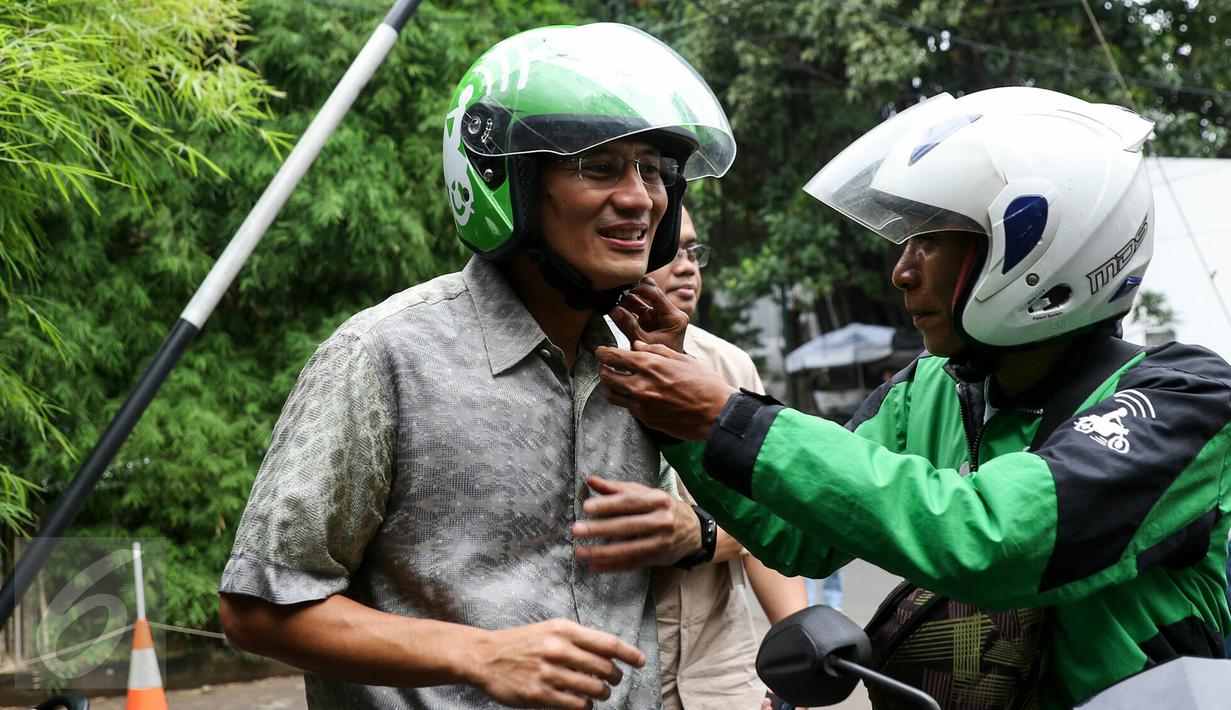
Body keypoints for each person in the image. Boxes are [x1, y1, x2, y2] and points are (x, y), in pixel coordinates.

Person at [595, 87, 1231, 708]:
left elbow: (996, 537)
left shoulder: (1185, 400)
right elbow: (800, 534)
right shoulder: (931, 388)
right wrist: (682, 419)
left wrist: (728, 418)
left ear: (1041, 250)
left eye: (930, 240)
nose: (901, 269)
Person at [217, 23, 736, 709]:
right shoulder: (387, 356)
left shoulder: (642, 368)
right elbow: (257, 608)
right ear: (506, 178)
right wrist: (477, 653)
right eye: (600, 166)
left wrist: (689, 495)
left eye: (652, 169)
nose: (641, 197)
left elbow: (779, 532)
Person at [636, 207, 808, 709]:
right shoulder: (584, 363)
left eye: (694, 251)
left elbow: (775, 517)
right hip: (624, 675)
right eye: (670, 248)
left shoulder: (729, 367)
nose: (688, 265)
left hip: (728, 676)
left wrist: (795, 666)